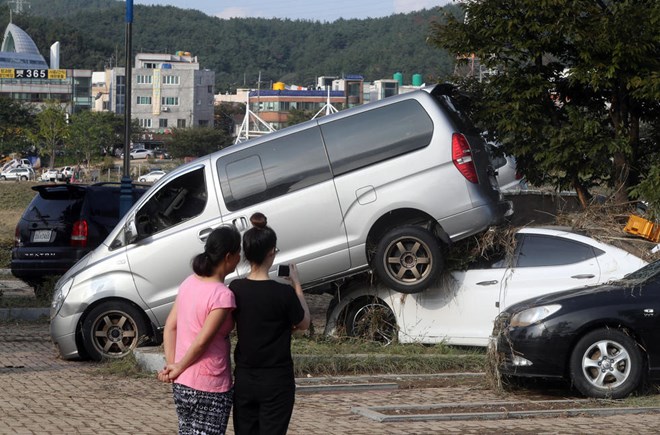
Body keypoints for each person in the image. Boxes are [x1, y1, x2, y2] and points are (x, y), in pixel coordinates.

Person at [230, 212, 311, 435]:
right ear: (271, 253)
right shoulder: (284, 293)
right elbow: (304, 322)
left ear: (246, 254)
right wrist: (296, 285)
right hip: (277, 379)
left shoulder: (236, 289)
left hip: (245, 377)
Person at [158, 226, 242, 435]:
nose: (241, 257)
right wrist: (177, 367)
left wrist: (173, 365)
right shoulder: (222, 295)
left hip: (182, 382)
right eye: (238, 253)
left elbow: (170, 326)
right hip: (209, 384)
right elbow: (203, 341)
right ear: (228, 257)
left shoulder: (189, 282)